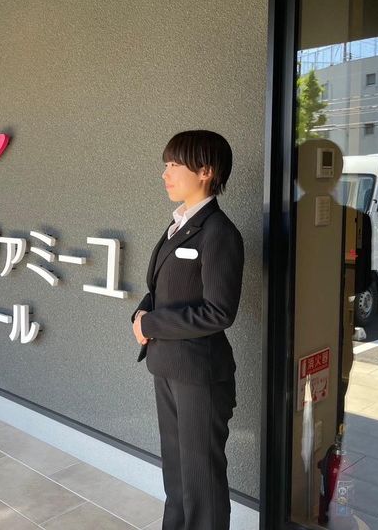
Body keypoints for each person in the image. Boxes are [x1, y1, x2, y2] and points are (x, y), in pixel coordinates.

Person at [131, 129, 244, 530]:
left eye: (174, 164)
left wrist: (151, 323)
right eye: (166, 164)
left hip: (199, 374)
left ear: (206, 171)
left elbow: (218, 312)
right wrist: (141, 313)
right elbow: (162, 288)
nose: (166, 173)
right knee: (177, 475)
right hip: (166, 364)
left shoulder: (219, 233)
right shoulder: (179, 223)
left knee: (201, 480)